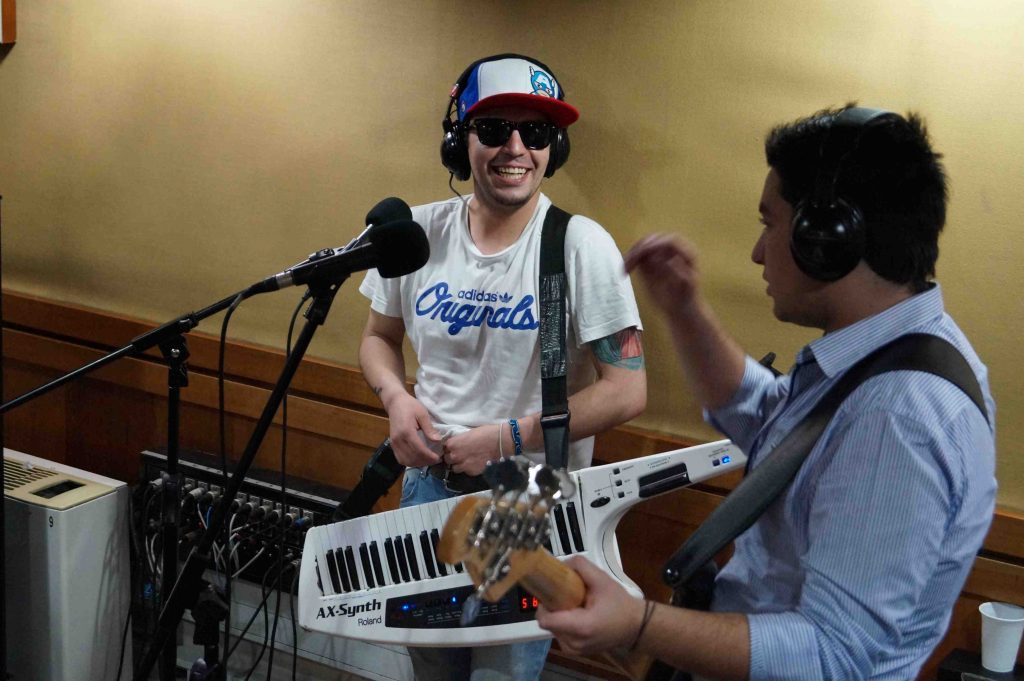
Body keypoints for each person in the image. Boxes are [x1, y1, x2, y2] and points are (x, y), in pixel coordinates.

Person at [535, 105, 997, 681]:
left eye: (769, 224)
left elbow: (833, 654)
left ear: (824, 237)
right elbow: (773, 425)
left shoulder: (897, 418)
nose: (758, 251)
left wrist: (638, 624)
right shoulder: (898, 351)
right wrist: (684, 310)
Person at [358, 54, 647, 681]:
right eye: (493, 129)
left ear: (554, 148)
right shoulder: (419, 234)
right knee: (431, 664)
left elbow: (627, 390)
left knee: (502, 674)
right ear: (459, 141)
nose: (515, 148)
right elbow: (379, 337)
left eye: (535, 132)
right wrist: (396, 399)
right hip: (428, 487)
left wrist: (505, 438)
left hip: (529, 496)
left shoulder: (579, 245)